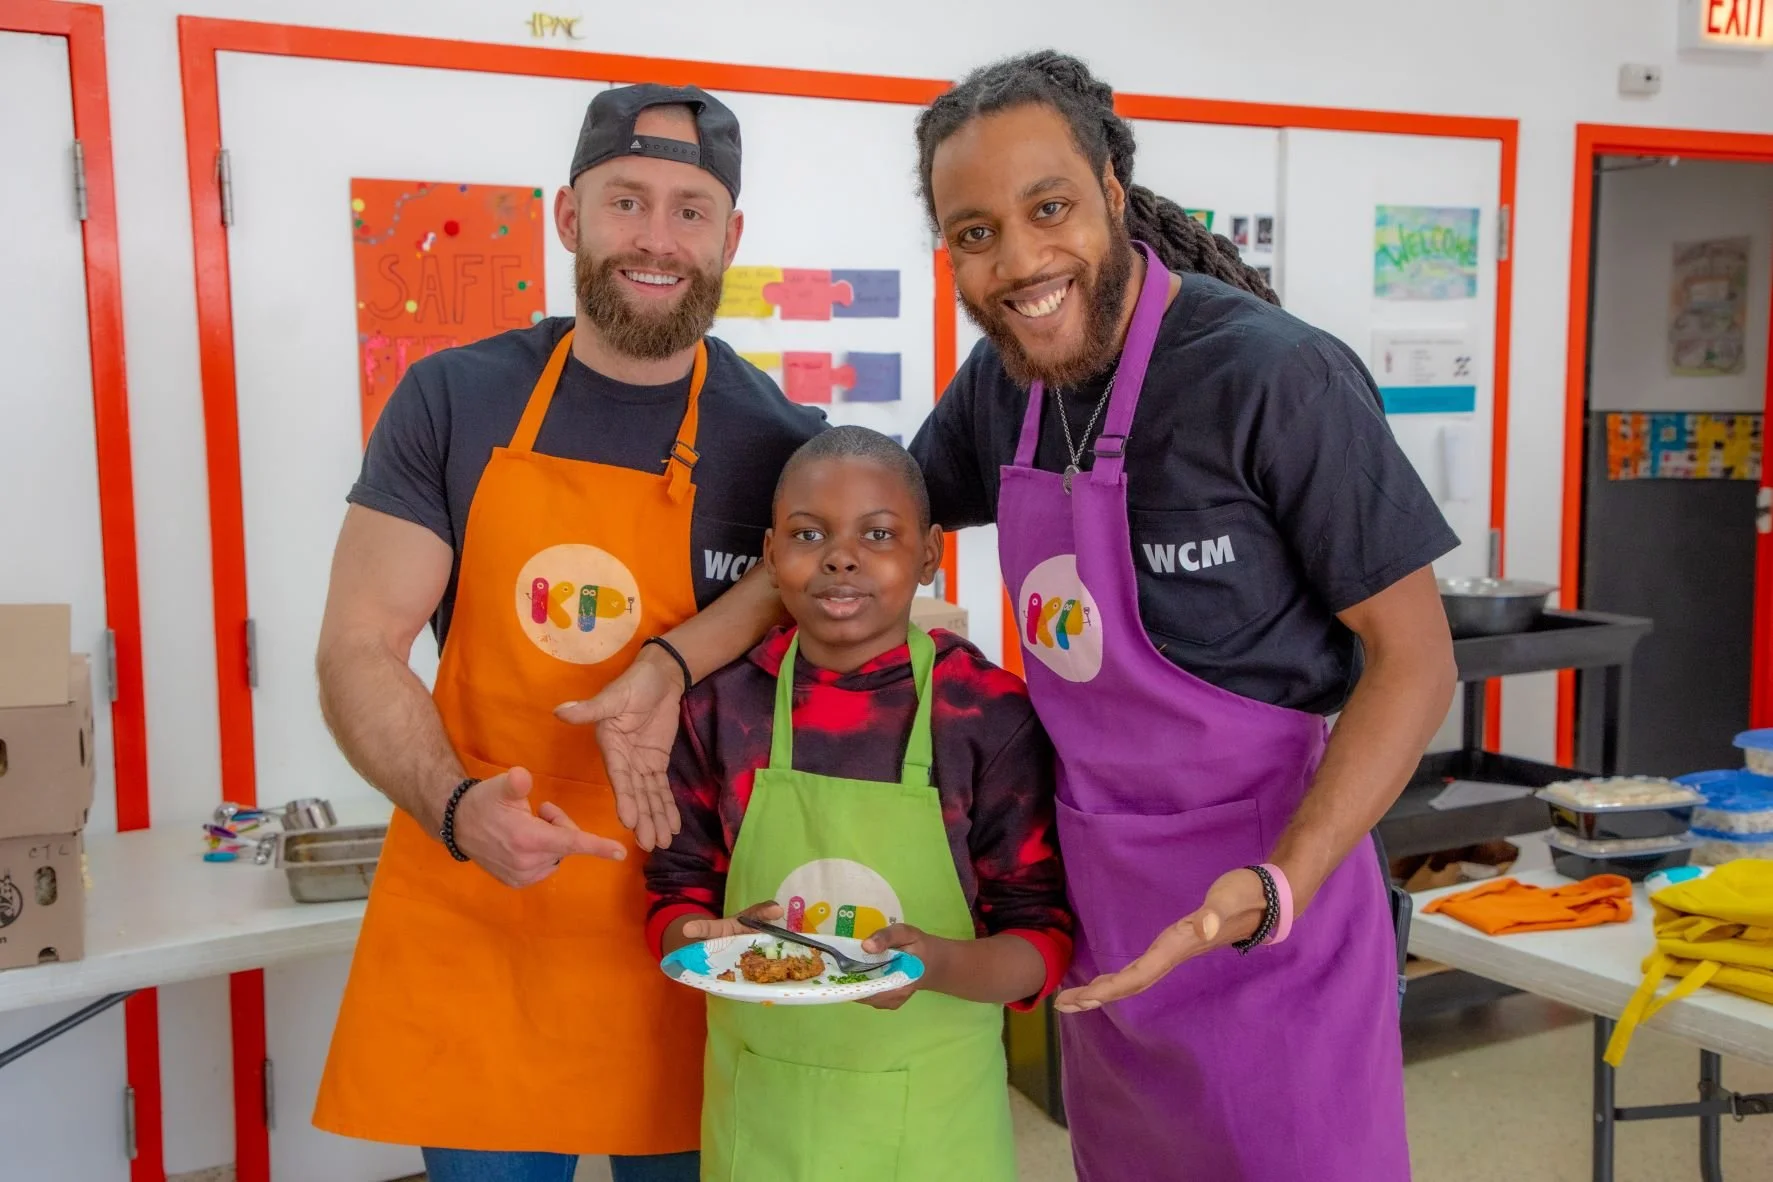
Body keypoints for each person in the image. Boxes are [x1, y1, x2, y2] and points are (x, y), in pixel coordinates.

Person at [576, 51, 1462, 1181]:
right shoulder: (1005, 389)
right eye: (975, 231)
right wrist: (668, 666)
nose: (1019, 261)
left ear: (1110, 185)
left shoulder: (1274, 380)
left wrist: (1274, 885)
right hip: (1106, 912)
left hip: (1271, 903)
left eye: (1047, 209)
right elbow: (854, 548)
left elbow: (1415, 661)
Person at [309, 84, 824, 1181]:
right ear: (567, 216)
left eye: (692, 210)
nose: (656, 237)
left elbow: (833, 597)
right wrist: (456, 810)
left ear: (731, 237)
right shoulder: (453, 400)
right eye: (626, 201)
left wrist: (674, 659)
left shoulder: (782, 438)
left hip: (688, 921)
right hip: (487, 900)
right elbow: (358, 644)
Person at [646, 426, 1071, 1181]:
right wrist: (702, 939)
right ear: (771, 555)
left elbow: (1039, 939)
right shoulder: (717, 710)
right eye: (809, 534)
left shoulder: (986, 715)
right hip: (763, 1116)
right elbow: (672, 898)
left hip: (934, 1128)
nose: (840, 556)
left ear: (930, 553)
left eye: (877, 533)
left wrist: (936, 965)